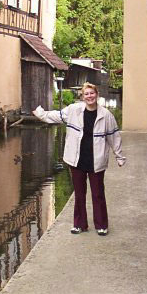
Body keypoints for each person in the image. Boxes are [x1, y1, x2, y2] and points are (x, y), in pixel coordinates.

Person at [32, 82, 126, 236]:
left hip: (96, 160)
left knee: (98, 194)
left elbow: (114, 136)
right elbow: (56, 116)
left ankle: (101, 225)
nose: (89, 96)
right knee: (79, 194)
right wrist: (41, 114)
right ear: (82, 97)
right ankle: (79, 224)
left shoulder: (106, 115)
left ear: (97, 95)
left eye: (92, 93)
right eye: (86, 94)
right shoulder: (73, 110)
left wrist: (119, 156)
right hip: (77, 159)